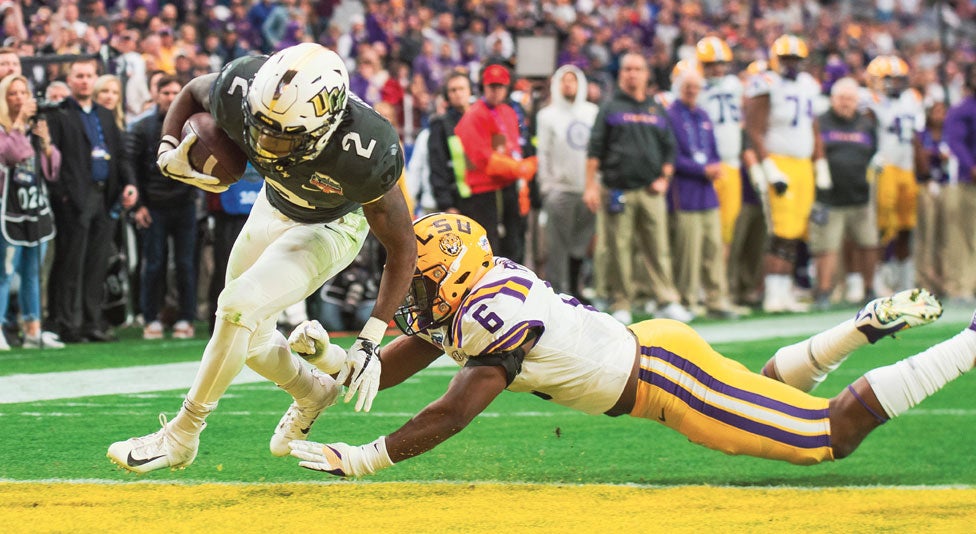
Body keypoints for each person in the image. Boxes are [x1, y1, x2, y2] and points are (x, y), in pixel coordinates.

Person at [285, 213, 962, 479]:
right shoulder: (467, 299)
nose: (407, 290)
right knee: (773, 395)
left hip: (665, 380)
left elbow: (455, 411)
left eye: (420, 278)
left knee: (827, 437)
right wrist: (332, 361)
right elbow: (398, 363)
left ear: (453, 273)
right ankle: (860, 327)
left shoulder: (489, 313)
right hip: (656, 351)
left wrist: (368, 458)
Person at [106, 43, 416, 474]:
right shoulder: (245, 83)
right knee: (247, 338)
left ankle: (182, 434)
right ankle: (312, 392)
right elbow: (195, 91)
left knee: (237, 308)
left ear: (324, 124)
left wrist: (370, 337)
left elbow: (403, 246)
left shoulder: (367, 149)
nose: (266, 145)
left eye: (282, 135)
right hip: (272, 206)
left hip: (331, 226)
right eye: (261, 128)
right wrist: (167, 147)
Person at [582, 52, 692, 325]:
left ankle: (666, 300)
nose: (632, 73)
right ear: (621, 74)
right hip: (618, 189)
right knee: (619, 249)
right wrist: (590, 187)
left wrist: (664, 178)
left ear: (646, 74)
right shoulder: (610, 107)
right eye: (627, 69)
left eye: (637, 69)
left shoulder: (656, 108)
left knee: (658, 247)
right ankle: (621, 302)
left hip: (651, 191)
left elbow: (670, 149)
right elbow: (594, 150)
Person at [46, 58, 138, 343]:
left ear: (94, 79)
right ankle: (67, 324)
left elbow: (120, 155)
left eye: (89, 76)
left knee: (98, 263)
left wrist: (130, 184)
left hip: (105, 197)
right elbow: (53, 160)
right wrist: (62, 194)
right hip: (74, 199)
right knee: (71, 263)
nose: (84, 80)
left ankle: (91, 322)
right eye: (79, 76)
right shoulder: (60, 114)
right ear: (70, 80)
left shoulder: (106, 115)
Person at [744, 35, 825, 313]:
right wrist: (768, 166)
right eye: (786, 59)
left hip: (803, 164)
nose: (791, 65)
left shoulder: (808, 85)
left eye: (795, 59)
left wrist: (820, 161)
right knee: (780, 231)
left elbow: (813, 126)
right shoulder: (766, 83)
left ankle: (784, 289)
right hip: (780, 161)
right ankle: (772, 292)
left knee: (796, 232)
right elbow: (754, 128)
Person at [125, 75, 199, 340]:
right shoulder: (142, 127)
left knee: (185, 264)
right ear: (155, 94)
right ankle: (150, 318)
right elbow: (132, 168)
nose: (170, 97)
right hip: (153, 207)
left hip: (185, 205)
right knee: (153, 264)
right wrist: (139, 206)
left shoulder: (194, 125)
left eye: (175, 92)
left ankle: (186, 317)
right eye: (165, 92)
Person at [666, 69, 736, 319]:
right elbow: (672, 156)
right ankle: (689, 299)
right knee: (689, 251)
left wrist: (714, 166)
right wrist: (701, 169)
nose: (692, 90)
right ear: (678, 87)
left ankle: (717, 300)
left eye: (696, 86)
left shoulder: (704, 115)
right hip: (685, 193)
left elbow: (713, 150)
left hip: (708, 192)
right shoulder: (671, 115)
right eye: (687, 86)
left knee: (713, 248)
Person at [0, 74, 63, 350]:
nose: (19, 99)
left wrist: (47, 143)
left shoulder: (35, 129)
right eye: (12, 94)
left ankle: (33, 329)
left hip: (35, 207)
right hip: (8, 211)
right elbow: (10, 154)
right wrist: (16, 124)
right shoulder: (5, 129)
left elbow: (52, 171)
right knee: (4, 271)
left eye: (23, 93)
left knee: (33, 271)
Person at [452, 62, 536, 260]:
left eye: (500, 86)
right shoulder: (474, 116)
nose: (496, 91)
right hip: (484, 193)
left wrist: (520, 173)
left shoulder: (508, 112)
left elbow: (511, 149)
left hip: (507, 187)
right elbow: (484, 160)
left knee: (513, 245)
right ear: (484, 87)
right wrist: (520, 168)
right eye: (492, 86)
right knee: (489, 249)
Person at [809, 78, 879, 310]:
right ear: (832, 100)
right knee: (825, 246)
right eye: (841, 98)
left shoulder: (865, 124)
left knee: (868, 242)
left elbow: (874, 151)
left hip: (860, 194)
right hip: (829, 197)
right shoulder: (821, 122)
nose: (845, 103)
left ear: (857, 101)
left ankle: (869, 289)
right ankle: (823, 291)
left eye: (849, 99)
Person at [864, 55, 925, 294]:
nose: (894, 84)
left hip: (906, 167)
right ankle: (879, 278)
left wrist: (925, 172)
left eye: (898, 79)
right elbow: (865, 133)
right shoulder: (869, 100)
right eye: (888, 79)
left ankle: (904, 281)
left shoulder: (911, 99)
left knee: (906, 226)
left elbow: (916, 138)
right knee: (882, 226)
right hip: (884, 167)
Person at [535, 65, 597, 296]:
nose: (568, 84)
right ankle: (558, 294)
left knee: (580, 245)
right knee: (557, 247)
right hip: (559, 189)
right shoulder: (547, 115)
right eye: (564, 80)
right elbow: (544, 152)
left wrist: (596, 185)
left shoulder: (592, 112)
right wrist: (547, 187)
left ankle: (577, 290)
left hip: (587, 189)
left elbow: (596, 151)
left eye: (573, 80)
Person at [696, 37, 744, 250]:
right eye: (710, 64)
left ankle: (718, 280)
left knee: (728, 227)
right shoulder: (694, 87)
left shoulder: (734, 85)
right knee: (704, 226)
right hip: (707, 165)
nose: (716, 69)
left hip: (732, 163)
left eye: (720, 64)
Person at [940, 64, 976, 304]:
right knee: (965, 236)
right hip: (969, 182)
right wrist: (971, 166)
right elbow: (955, 141)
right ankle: (961, 287)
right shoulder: (962, 109)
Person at [427, 70, 472, 214]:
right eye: (453, 90)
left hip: (481, 196)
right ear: (447, 95)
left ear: (470, 91)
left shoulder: (480, 120)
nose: (458, 93)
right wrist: (446, 204)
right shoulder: (440, 125)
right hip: (455, 200)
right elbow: (437, 166)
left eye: (461, 89)